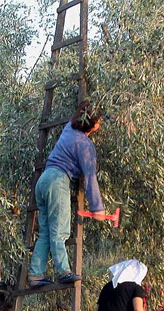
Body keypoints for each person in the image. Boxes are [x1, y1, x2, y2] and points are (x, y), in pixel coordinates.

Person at [28, 100, 106, 288]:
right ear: (94, 124)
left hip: (43, 180)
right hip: (57, 182)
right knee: (60, 230)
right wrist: (98, 208)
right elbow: (90, 177)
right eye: (99, 120)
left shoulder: (68, 129)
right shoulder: (85, 145)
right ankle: (63, 271)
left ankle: (35, 275)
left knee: (45, 232)